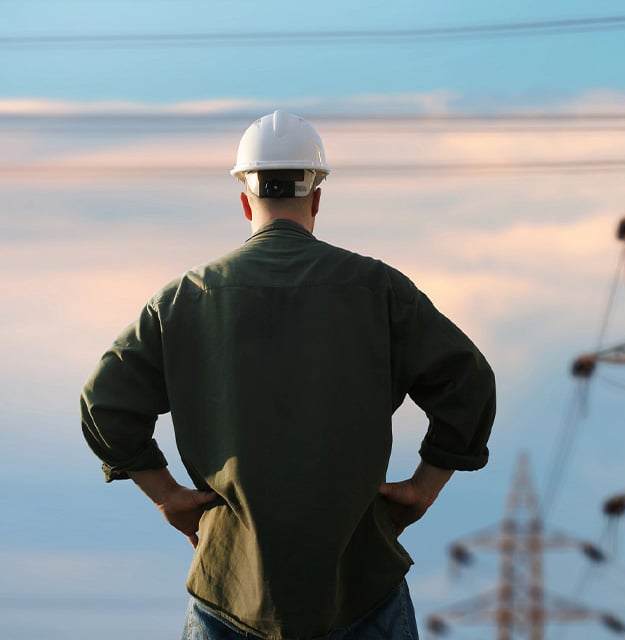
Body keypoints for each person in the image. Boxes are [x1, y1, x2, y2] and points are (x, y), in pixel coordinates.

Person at [80, 110, 497, 640]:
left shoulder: (184, 298)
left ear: (244, 199)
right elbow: (469, 383)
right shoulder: (378, 289)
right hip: (362, 584)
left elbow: (104, 404)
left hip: (227, 590)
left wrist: (167, 495)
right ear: (317, 197)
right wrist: (425, 485)